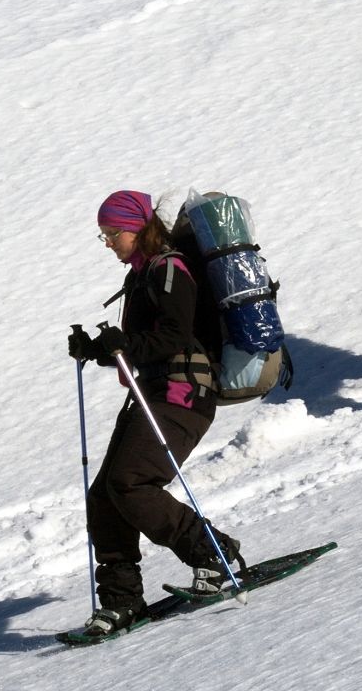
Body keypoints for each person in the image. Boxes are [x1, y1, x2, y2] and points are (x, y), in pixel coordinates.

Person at [67, 189, 244, 635]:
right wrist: (100, 350)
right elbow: (145, 347)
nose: (108, 241)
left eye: (112, 233)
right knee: (105, 495)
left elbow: (173, 335)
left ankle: (214, 556)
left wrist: (122, 346)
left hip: (184, 394)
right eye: (104, 234)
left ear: (137, 228)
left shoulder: (170, 269)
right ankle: (121, 600)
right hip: (156, 392)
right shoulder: (146, 274)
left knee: (132, 483)